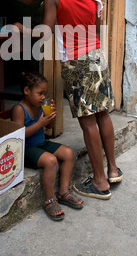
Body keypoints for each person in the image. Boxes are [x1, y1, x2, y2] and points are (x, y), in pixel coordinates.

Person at [41, 0, 123, 200]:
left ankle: (99, 182)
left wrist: (21, 29)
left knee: (87, 122)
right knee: (102, 115)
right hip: (97, 59)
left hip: (76, 64)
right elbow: (95, 32)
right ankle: (112, 169)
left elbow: (45, 33)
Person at [11, 71, 83, 221]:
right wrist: (39, 123)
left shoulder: (41, 105)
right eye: (40, 93)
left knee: (68, 152)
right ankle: (49, 200)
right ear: (26, 91)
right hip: (26, 149)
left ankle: (63, 193)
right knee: (51, 161)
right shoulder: (19, 109)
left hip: (41, 143)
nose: (44, 97)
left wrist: (51, 117)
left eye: (45, 93)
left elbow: (49, 127)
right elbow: (18, 137)